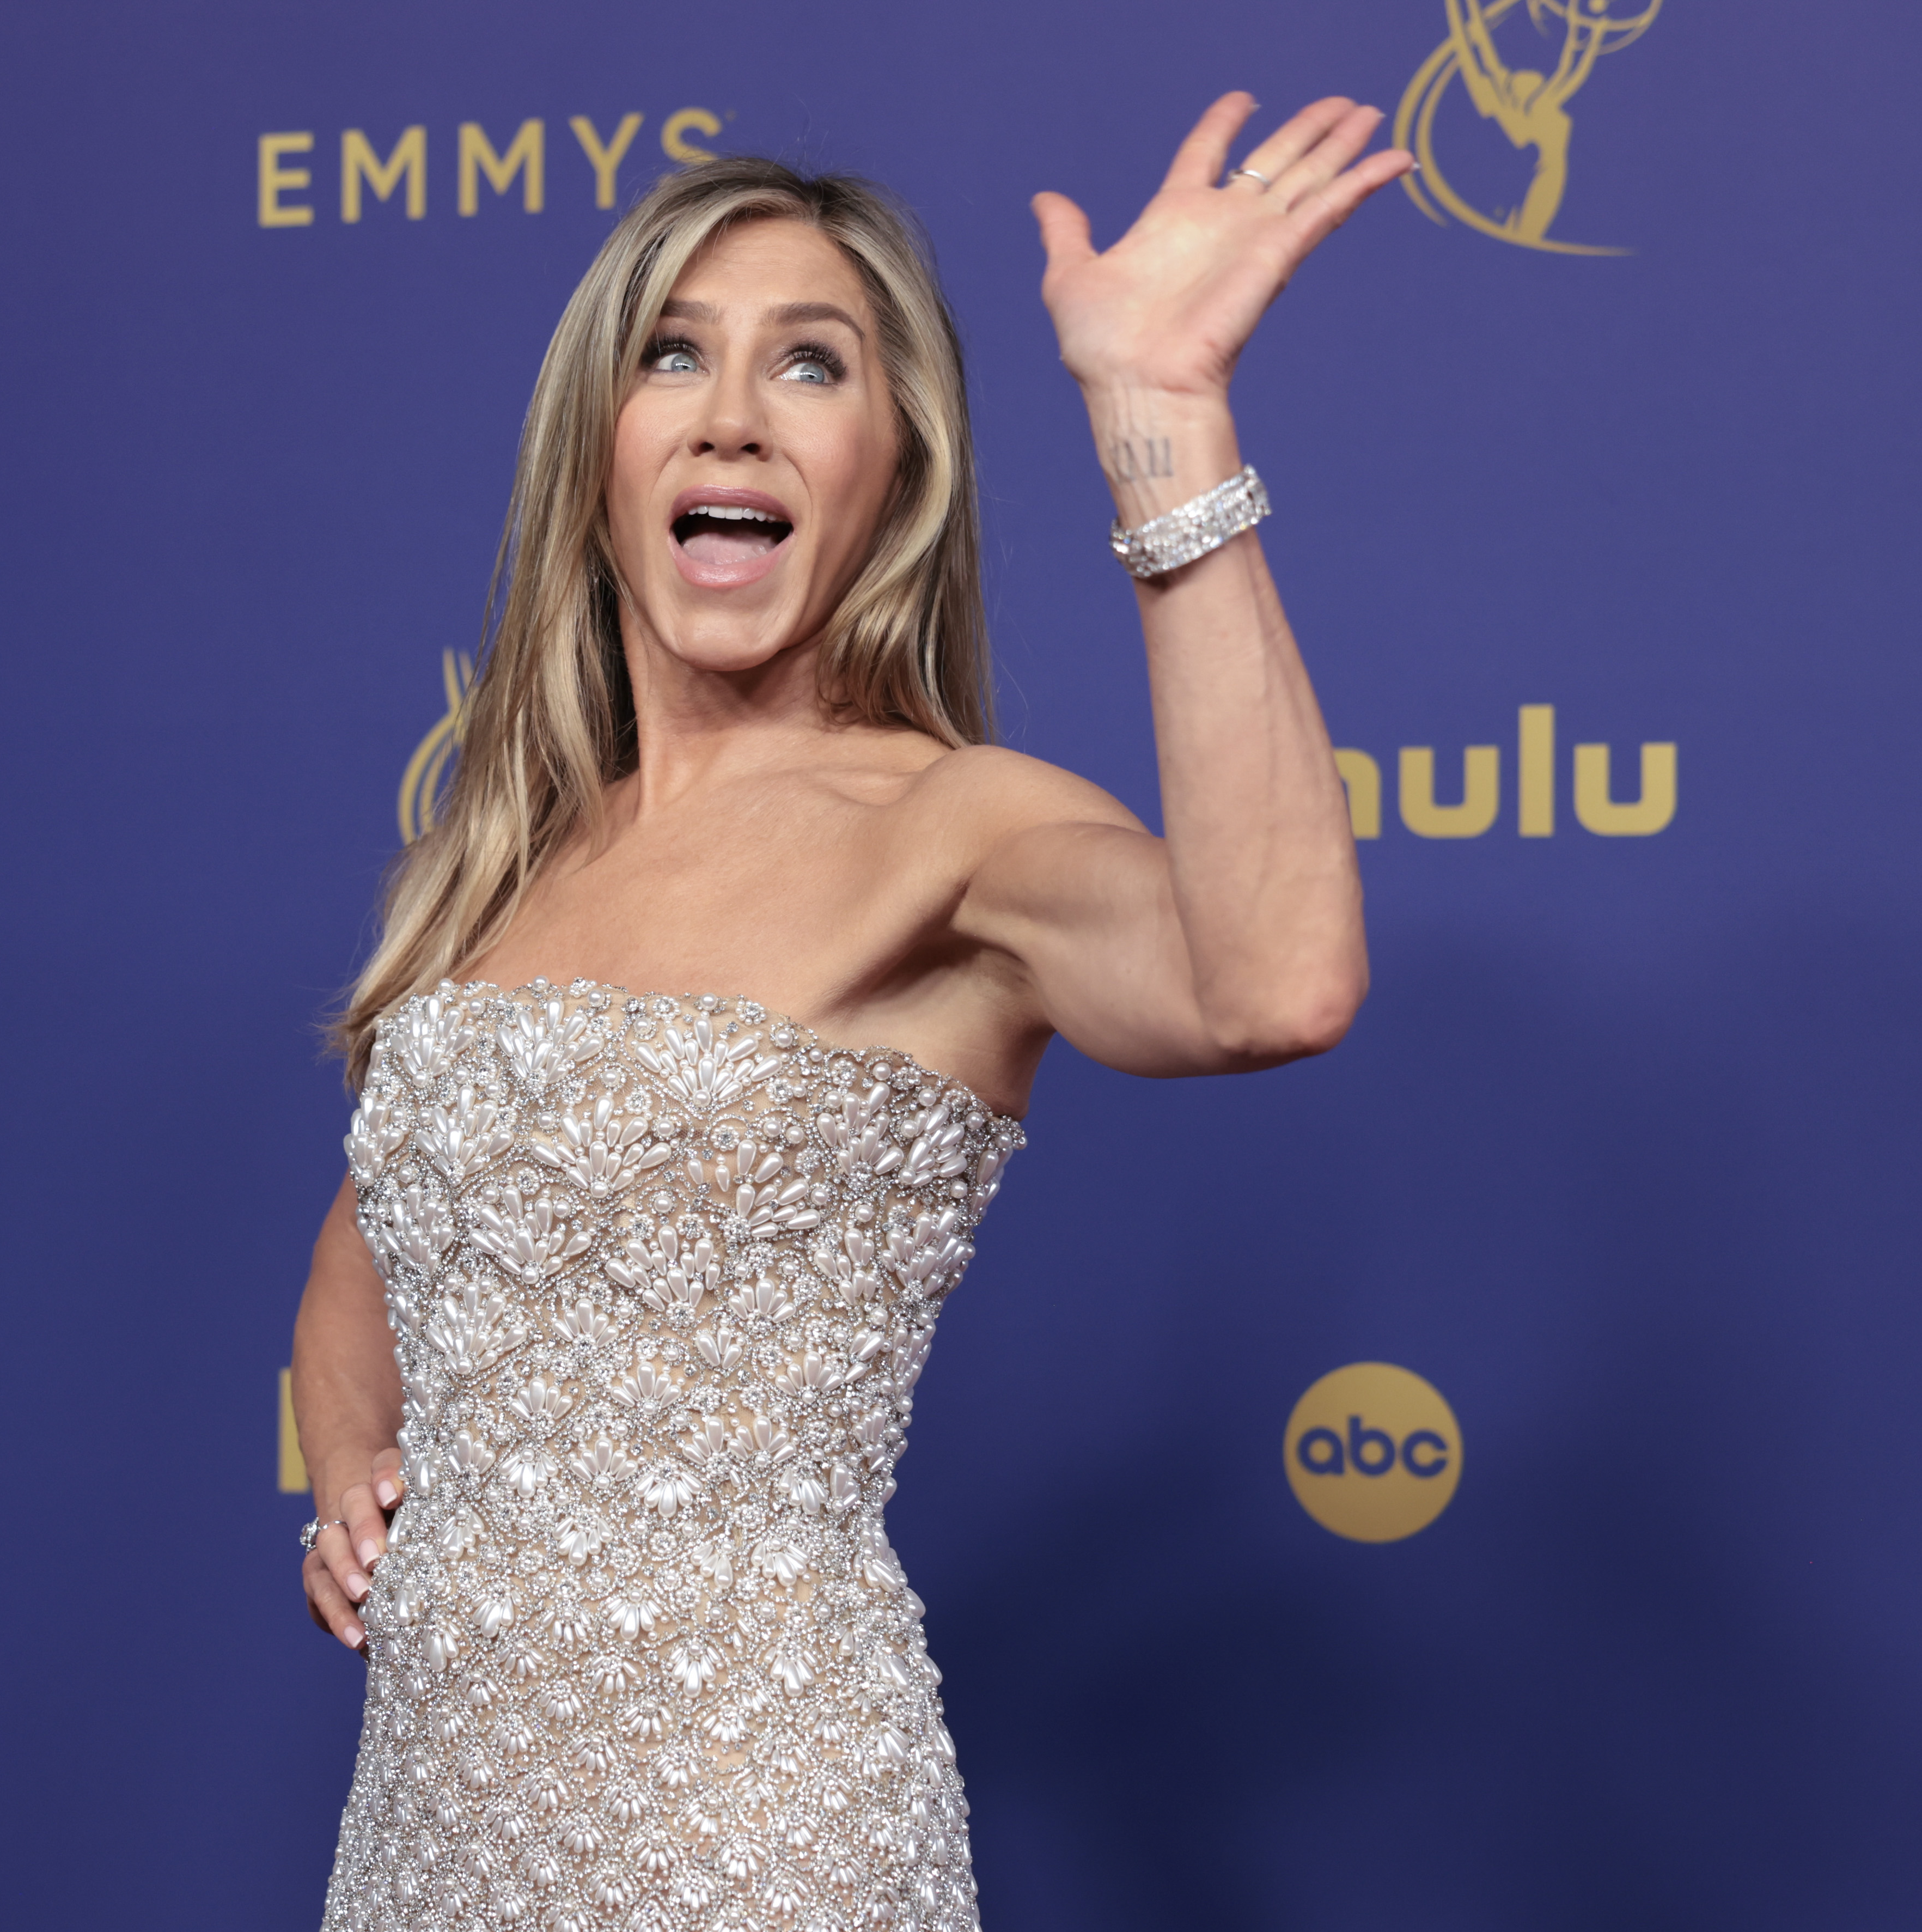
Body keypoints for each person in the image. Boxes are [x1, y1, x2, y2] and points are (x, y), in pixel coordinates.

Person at [291, 93, 1413, 1931]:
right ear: (600, 447)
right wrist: (354, 1477)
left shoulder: (950, 825)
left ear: (894, 466)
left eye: (807, 365)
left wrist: (1160, 414)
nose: (730, 410)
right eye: (674, 354)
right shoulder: (495, 861)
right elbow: (372, 1243)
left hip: (759, 1835)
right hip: (430, 1838)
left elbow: (1273, 978)